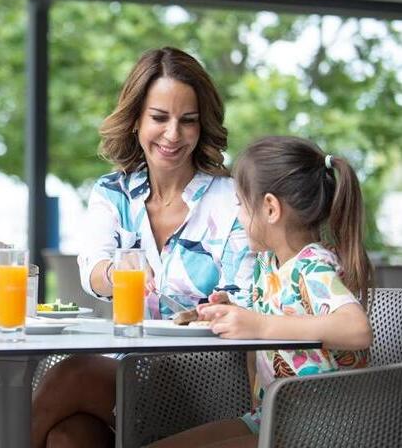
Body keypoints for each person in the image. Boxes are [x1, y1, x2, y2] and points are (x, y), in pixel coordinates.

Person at [32, 47, 255, 447]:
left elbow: (246, 293)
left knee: (73, 374)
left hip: (208, 378)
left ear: (202, 126)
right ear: (135, 120)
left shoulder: (231, 198)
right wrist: (118, 274)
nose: (173, 134)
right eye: (159, 118)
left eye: (188, 121)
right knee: (70, 437)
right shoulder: (113, 193)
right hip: (132, 371)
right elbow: (94, 270)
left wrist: (219, 304)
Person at [147, 136, 373, 448]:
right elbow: (273, 310)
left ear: (270, 208)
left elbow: (356, 329)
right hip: (270, 418)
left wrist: (259, 325)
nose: (237, 216)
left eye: (240, 204)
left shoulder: (313, 266)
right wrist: (231, 307)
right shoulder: (268, 265)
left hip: (319, 430)